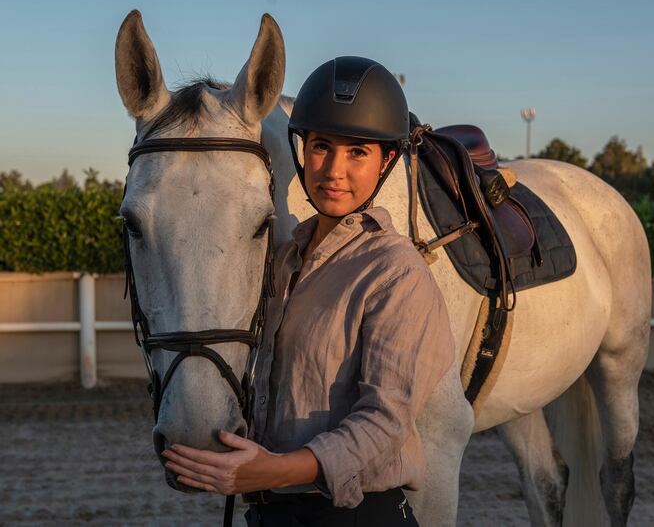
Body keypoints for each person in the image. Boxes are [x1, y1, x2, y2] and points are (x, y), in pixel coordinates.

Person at [160, 56, 456, 526]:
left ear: (387, 160)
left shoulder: (397, 272)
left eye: (357, 152)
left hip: (354, 514)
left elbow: (384, 421)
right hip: (269, 510)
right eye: (322, 146)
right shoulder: (281, 263)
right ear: (301, 151)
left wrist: (273, 470)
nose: (334, 170)